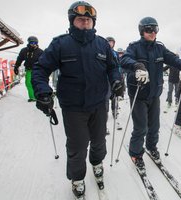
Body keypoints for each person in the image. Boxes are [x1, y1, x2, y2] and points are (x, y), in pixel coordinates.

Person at [31, 1, 123, 199]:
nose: (85, 23)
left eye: (88, 20)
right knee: (78, 146)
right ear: (73, 21)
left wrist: (116, 80)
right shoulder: (61, 44)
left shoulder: (102, 44)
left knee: (99, 141)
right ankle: (77, 178)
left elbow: (112, 67)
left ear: (93, 22)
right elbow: (40, 69)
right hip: (74, 107)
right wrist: (43, 91)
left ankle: (97, 164)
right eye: (81, 19)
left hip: (99, 103)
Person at [120, 16, 181, 169]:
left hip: (154, 94)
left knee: (154, 126)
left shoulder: (159, 48)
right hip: (139, 94)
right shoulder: (134, 47)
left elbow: (172, 58)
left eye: (155, 29)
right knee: (141, 127)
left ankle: (151, 147)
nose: (152, 33)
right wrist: (137, 65)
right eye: (148, 30)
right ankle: (136, 153)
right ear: (142, 31)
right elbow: (124, 60)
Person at [14, 36, 43, 102]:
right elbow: (20, 59)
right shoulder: (24, 51)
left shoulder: (40, 52)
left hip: (37, 70)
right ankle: (32, 97)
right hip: (29, 70)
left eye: (35, 43)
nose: (34, 44)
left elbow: (44, 61)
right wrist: (16, 66)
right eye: (32, 42)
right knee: (28, 83)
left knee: (37, 83)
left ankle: (40, 96)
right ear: (29, 43)